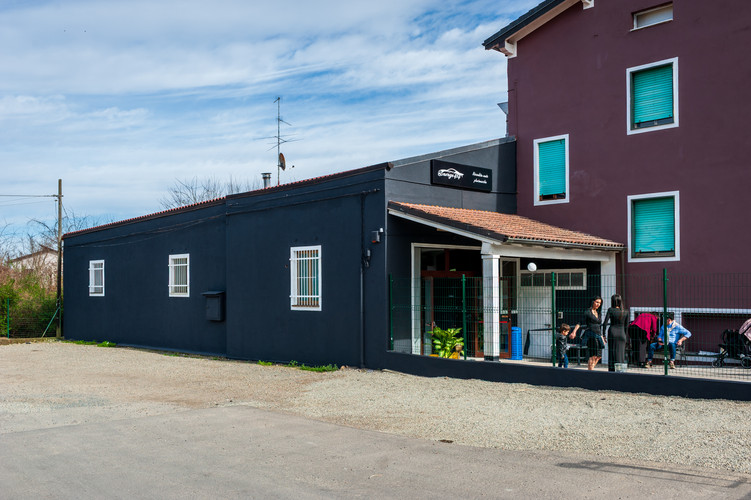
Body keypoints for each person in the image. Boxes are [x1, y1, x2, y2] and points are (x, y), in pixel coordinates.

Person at [576, 296, 605, 370]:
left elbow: (599, 326)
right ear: (593, 302)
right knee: (593, 356)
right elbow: (580, 322)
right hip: (591, 336)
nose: (598, 304)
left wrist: (602, 336)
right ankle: (590, 371)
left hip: (598, 335)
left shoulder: (598, 312)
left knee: (599, 356)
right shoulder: (588, 312)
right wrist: (574, 332)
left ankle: (591, 369)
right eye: (597, 302)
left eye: (600, 303)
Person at [603, 294, 629, 371]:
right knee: (621, 353)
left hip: (612, 332)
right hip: (622, 334)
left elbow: (605, 323)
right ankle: (620, 370)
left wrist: (603, 334)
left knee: (612, 352)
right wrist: (625, 336)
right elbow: (626, 326)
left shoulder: (610, 310)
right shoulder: (625, 311)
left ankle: (612, 370)